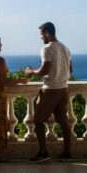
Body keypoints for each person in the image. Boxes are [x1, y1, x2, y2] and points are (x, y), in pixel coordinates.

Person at [25, 22, 73, 162]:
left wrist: (31, 71)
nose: (41, 38)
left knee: (38, 121)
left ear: (47, 33)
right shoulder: (66, 48)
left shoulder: (46, 49)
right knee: (63, 122)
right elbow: (70, 70)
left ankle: (43, 152)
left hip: (50, 91)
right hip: (63, 90)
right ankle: (67, 153)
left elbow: (44, 70)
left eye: (41, 34)